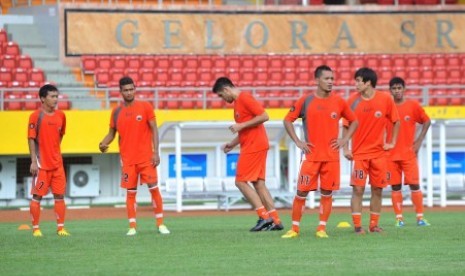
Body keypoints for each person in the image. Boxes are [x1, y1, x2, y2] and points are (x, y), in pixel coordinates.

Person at [281, 65, 359, 239]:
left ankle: (321, 228)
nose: (331, 82)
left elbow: (354, 121)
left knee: (327, 193)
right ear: (317, 80)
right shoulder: (306, 100)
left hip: (331, 158)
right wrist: (298, 141)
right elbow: (287, 120)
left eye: (332, 79)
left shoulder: (339, 101)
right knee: (301, 192)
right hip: (311, 157)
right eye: (327, 78)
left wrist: (344, 140)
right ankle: (294, 229)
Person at [99, 76, 170, 236]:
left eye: (131, 89)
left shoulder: (145, 107)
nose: (129, 92)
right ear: (121, 92)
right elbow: (111, 134)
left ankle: (161, 224)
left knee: (154, 190)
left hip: (146, 159)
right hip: (128, 161)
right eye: (126, 90)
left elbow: (154, 129)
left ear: (135, 89)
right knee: (131, 194)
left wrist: (155, 152)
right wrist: (103, 143)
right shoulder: (116, 112)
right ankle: (132, 227)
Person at [212, 77, 283, 231]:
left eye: (221, 95)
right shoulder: (238, 103)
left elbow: (264, 116)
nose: (223, 99)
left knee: (240, 181)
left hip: (254, 146)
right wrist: (232, 144)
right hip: (255, 144)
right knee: (259, 184)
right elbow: (246, 130)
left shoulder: (245, 98)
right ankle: (276, 220)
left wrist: (241, 125)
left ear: (226, 90)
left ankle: (264, 217)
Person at [343, 67, 400, 234]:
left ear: (368, 83)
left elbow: (396, 121)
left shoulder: (385, 99)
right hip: (359, 154)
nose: (355, 84)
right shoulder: (352, 101)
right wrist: (345, 147)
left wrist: (392, 142)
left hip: (379, 155)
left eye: (358, 81)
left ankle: (374, 225)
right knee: (358, 189)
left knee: (378, 189)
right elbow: (345, 125)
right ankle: (358, 226)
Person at [387, 77, 431, 227]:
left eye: (399, 88)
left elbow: (427, 121)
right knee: (395, 186)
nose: (397, 91)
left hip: (408, 154)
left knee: (414, 185)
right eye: (394, 88)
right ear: (390, 90)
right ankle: (399, 219)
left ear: (404, 89)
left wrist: (418, 141)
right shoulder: (387, 107)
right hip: (390, 155)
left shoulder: (413, 106)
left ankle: (420, 218)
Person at [28, 84, 70, 237]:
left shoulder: (61, 116)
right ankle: (36, 229)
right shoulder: (35, 116)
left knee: (59, 196)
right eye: (52, 96)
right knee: (37, 196)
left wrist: (54, 151)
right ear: (42, 98)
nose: (55, 99)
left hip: (57, 165)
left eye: (56, 96)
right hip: (41, 165)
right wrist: (34, 160)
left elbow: (60, 135)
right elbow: (31, 138)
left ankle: (60, 228)